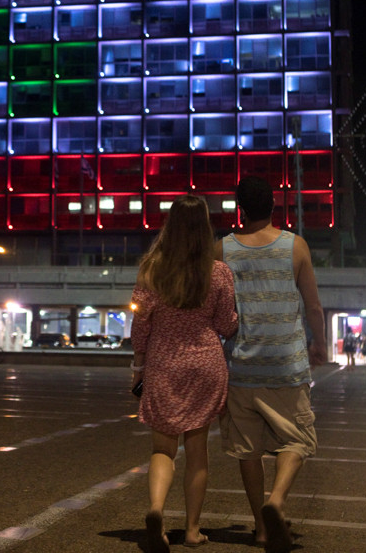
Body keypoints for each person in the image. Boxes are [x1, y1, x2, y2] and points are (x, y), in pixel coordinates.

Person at [216, 176, 327, 553]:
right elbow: (312, 305)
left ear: (239, 209)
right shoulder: (294, 245)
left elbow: (217, 309)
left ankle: (262, 530)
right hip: (287, 364)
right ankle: (276, 501)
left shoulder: (223, 250)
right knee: (296, 439)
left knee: (247, 450)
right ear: (274, 208)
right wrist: (320, 345)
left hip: (243, 365)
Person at [130, 194, 238, 552]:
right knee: (198, 451)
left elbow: (140, 325)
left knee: (163, 449)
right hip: (206, 364)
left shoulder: (152, 268)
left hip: (164, 363)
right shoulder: (219, 272)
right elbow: (225, 323)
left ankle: (157, 510)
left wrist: (138, 366)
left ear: (170, 225)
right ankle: (192, 530)